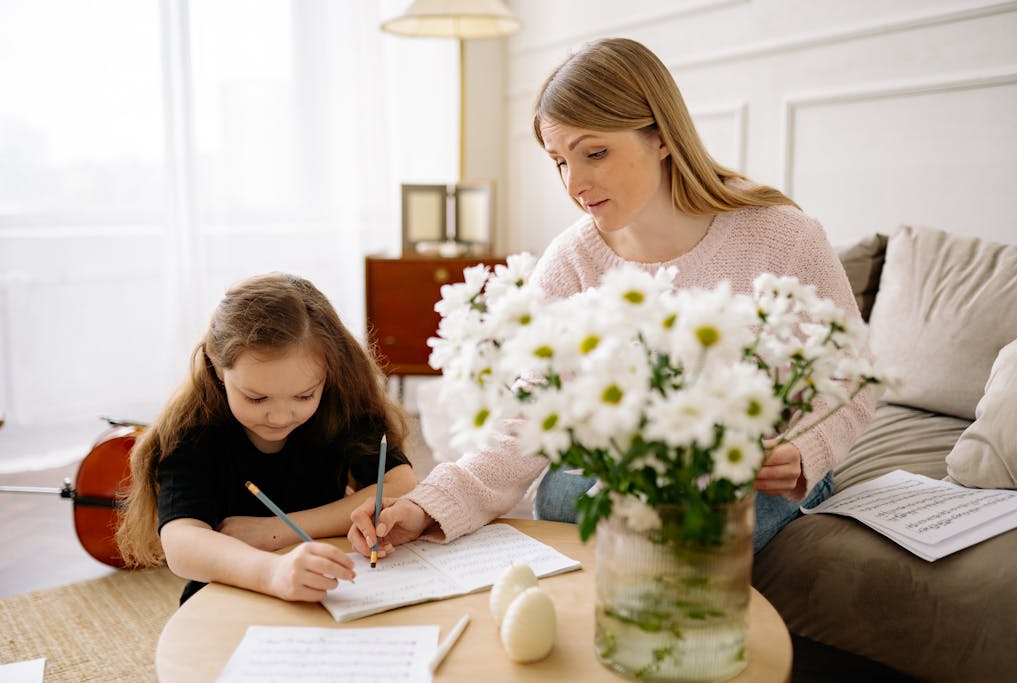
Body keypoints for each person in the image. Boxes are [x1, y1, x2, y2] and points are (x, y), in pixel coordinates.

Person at [349, 37, 875, 560]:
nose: (574, 183)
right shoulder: (572, 259)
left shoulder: (784, 237)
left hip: (749, 478)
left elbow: (850, 377)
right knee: (562, 493)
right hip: (632, 471)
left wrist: (802, 451)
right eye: (559, 162)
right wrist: (427, 505)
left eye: (594, 153)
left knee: (699, 510)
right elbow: (526, 419)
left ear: (662, 137)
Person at [116, 272, 417, 604]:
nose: (280, 417)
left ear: (329, 373)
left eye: (304, 396)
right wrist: (272, 572)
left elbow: (401, 485)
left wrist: (275, 532)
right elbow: (182, 543)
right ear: (217, 367)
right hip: (233, 590)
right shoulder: (193, 428)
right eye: (257, 399)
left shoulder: (339, 404)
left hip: (330, 586)